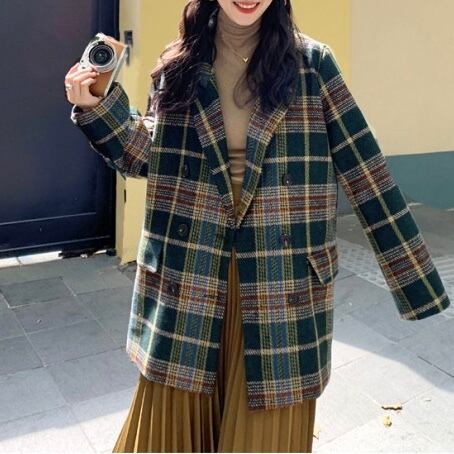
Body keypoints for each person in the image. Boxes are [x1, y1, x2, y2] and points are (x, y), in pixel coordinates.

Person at [64, 0, 451, 452]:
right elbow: (150, 155)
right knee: (167, 438)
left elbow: (364, 169)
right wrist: (97, 107)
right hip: (189, 276)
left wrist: (414, 282)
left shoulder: (312, 65)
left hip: (280, 280)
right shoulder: (180, 64)